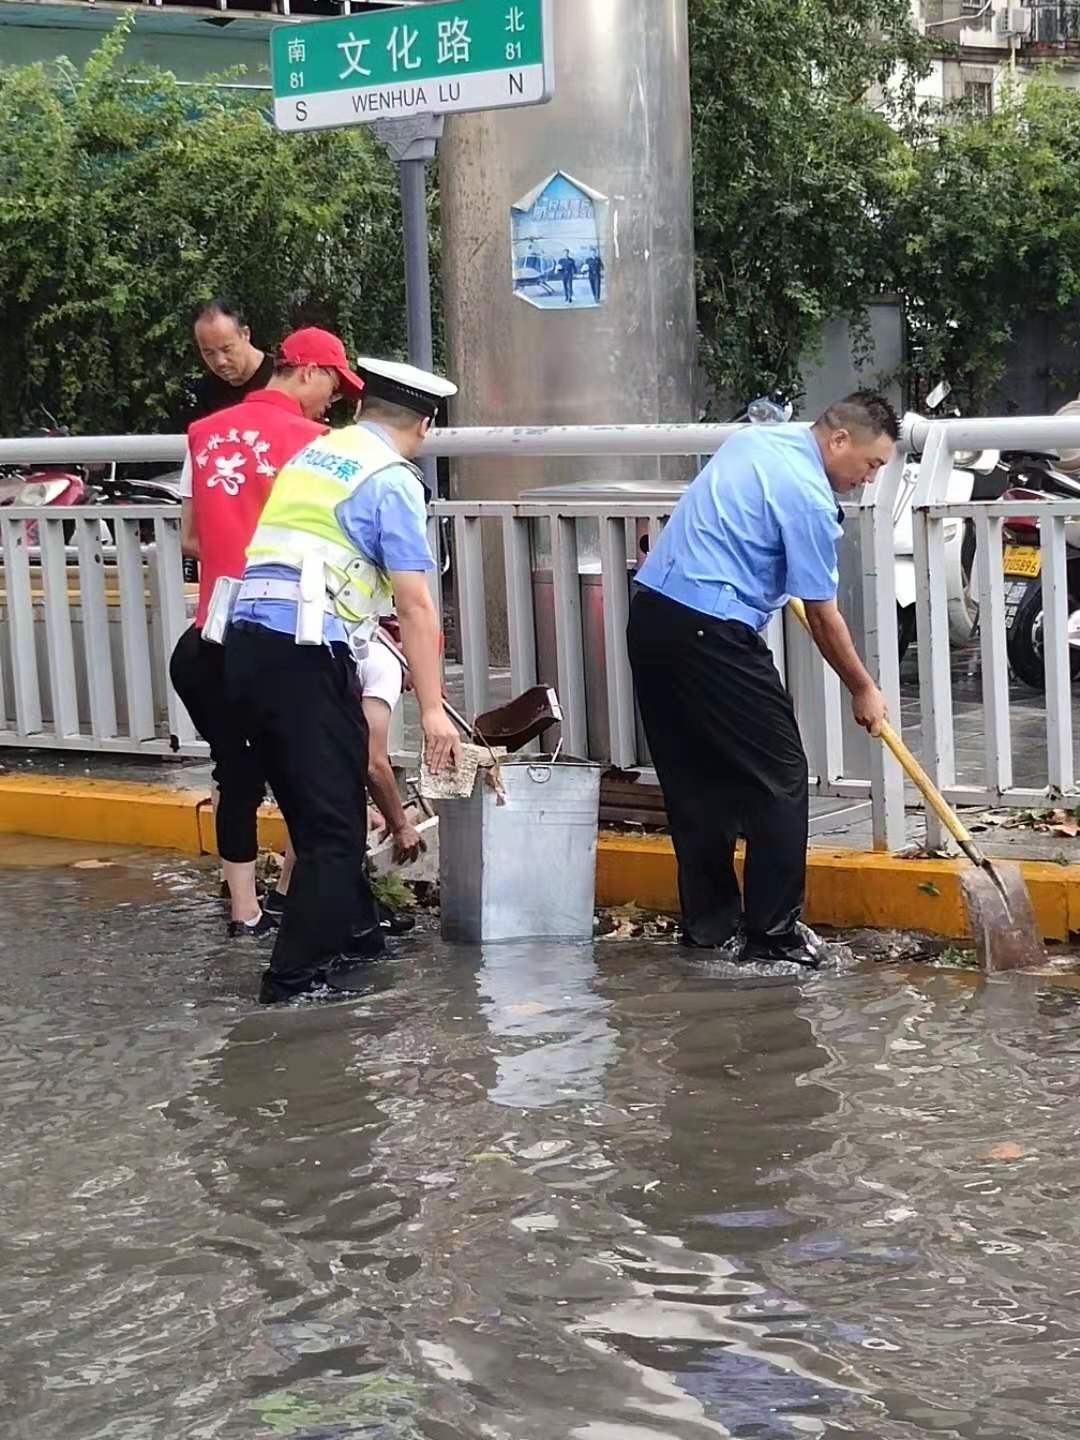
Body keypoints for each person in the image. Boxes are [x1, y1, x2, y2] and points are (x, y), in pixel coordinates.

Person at [627, 392, 895, 968]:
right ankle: (773, 935)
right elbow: (823, 615)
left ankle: (710, 928)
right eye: (871, 466)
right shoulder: (807, 497)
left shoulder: (754, 439)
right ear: (839, 440)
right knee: (779, 775)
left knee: (696, 780)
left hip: (652, 613)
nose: (867, 481)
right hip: (711, 631)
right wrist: (862, 688)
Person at [225, 358, 462, 1004]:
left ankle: (357, 940)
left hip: (243, 649)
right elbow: (415, 604)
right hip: (301, 657)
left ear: (360, 410)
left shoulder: (317, 456)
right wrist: (435, 711)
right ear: (425, 424)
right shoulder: (391, 481)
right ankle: (291, 987)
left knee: (318, 812)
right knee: (334, 832)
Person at [169, 328, 363, 936]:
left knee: (235, 772)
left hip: (211, 632)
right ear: (306, 370)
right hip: (281, 630)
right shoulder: (317, 445)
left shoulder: (203, 435)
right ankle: (295, 898)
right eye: (333, 383)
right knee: (307, 768)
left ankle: (245, 911)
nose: (333, 401)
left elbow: (193, 540)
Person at [185, 299, 274, 424]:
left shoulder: (283, 376)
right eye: (208, 353)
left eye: (227, 349)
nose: (220, 361)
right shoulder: (206, 391)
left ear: (245, 334)